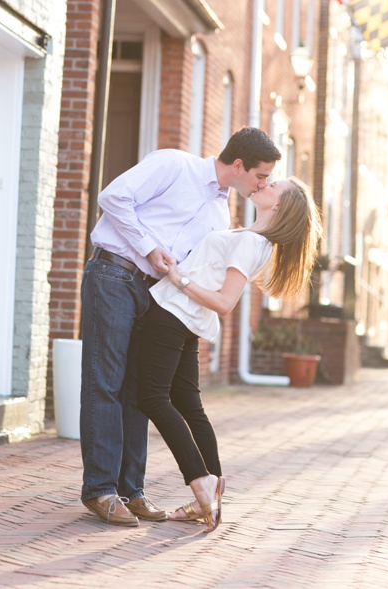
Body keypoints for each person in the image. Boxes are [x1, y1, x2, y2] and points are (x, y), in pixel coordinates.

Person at [80, 127, 282, 527]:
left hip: (155, 295)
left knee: (136, 390)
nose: (264, 183)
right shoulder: (174, 164)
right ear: (239, 165)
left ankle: (131, 491)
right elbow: (112, 198)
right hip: (114, 275)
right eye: (261, 175)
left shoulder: (221, 214)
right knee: (106, 381)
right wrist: (148, 246)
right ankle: (101, 490)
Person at [135, 177, 321, 533]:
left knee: (152, 397)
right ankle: (211, 497)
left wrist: (178, 278)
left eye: (273, 186)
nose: (265, 183)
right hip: (187, 320)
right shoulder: (251, 238)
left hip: (175, 313)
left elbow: (224, 302)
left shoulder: (252, 243)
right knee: (189, 403)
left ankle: (199, 481)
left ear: (278, 206)